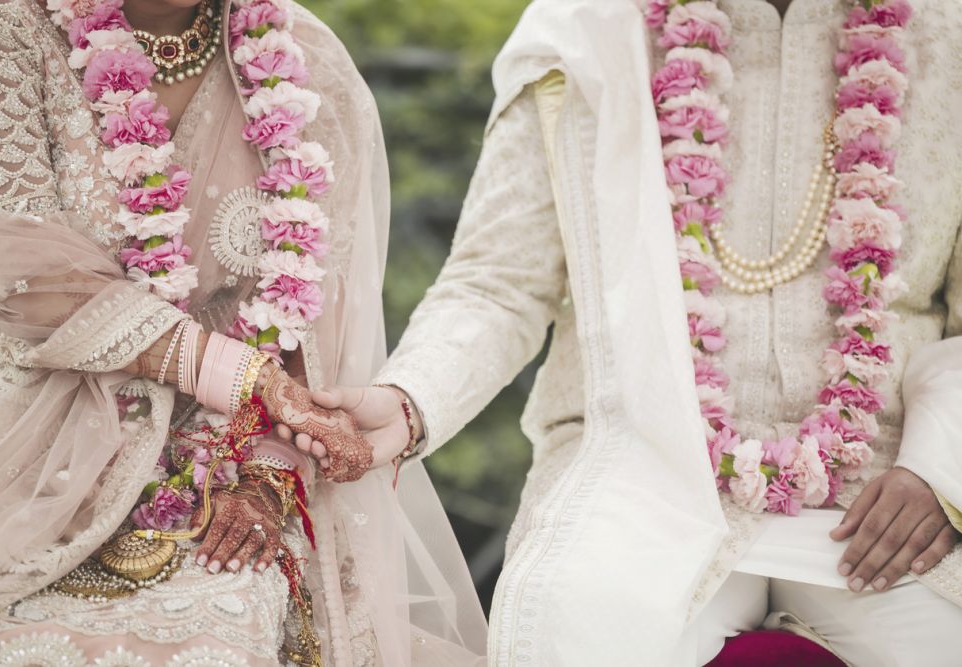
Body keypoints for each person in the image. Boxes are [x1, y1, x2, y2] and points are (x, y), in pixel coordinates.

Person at [306, 0, 962, 664]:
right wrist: (411, 396)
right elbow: (498, 282)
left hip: (881, 492)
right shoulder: (588, 29)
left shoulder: (948, 34)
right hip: (639, 466)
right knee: (571, 630)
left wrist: (939, 470)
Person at [0, 0, 486, 664]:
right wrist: (247, 377)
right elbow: (21, 282)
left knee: (233, 620)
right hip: (18, 460)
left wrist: (269, 478)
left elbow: (312, 336)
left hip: (229, 463)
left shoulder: (308, 67)